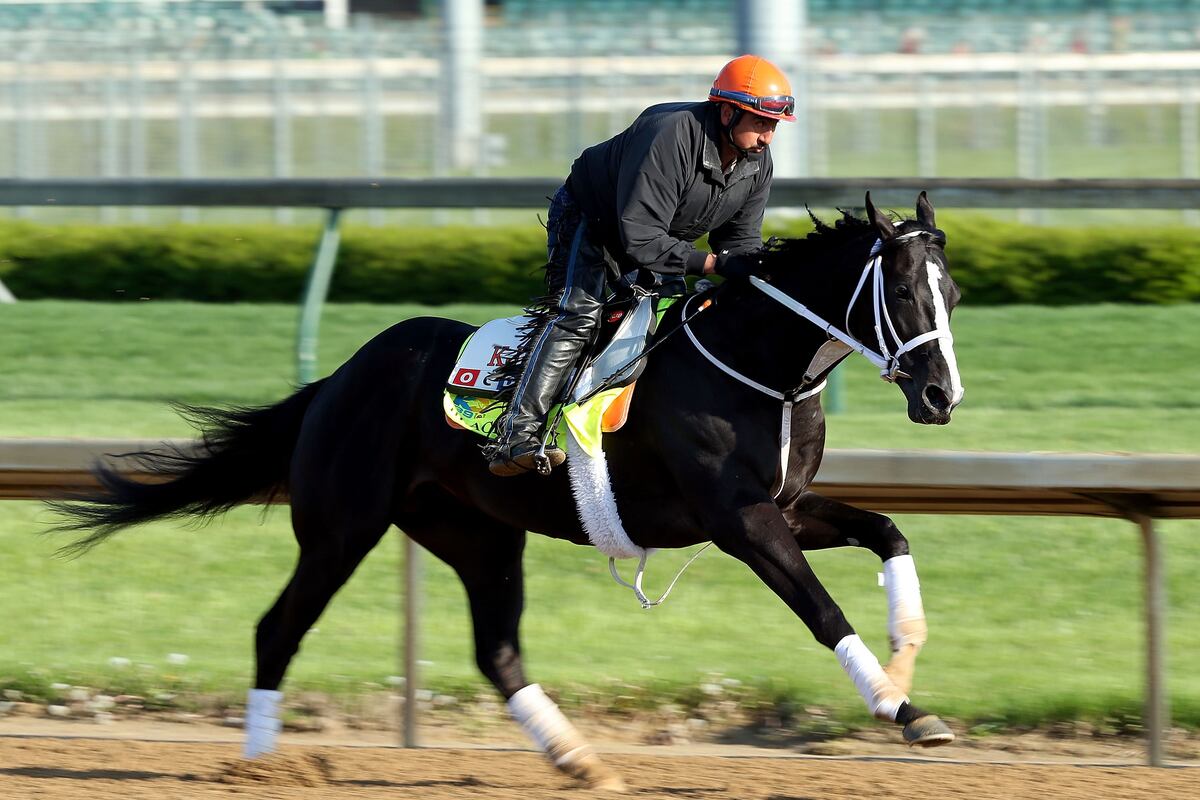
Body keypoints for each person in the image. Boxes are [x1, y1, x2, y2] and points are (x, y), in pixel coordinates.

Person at [485, 54, 795, 477]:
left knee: (667, 320)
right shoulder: (669, 135)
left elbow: (739, 242)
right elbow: (641, 237)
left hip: (655, 234)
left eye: (774, 125)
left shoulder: (757, 163)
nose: (767, 136)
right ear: (727, 112)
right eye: (760, 122)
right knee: (580, 314)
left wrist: (754, 271)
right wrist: (709, 263)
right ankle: (516, 433)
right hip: (594, 220)